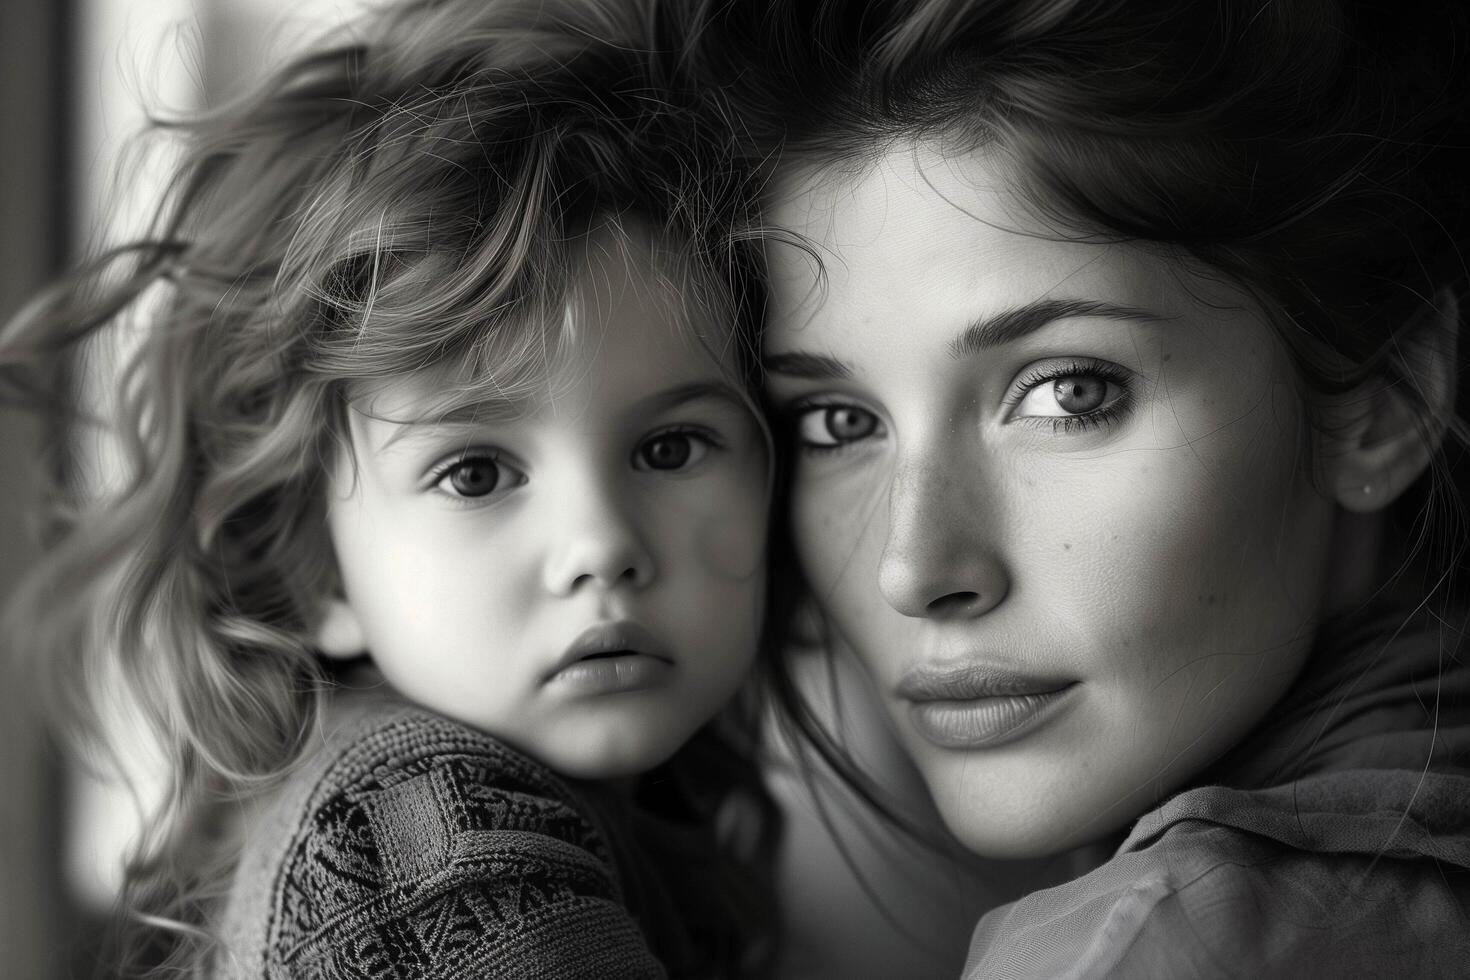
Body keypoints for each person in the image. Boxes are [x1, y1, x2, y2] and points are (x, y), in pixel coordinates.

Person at [688, 0, 1470, 975]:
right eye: (840, 423)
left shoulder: (1154, 946)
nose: (914, 565)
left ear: (1385, 400)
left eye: (1069, 391)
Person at [0, 0, 780, 976]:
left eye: (671, 448)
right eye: (476, 471)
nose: (602, 543)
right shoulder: (406, 830)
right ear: (314, 568)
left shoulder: (617, 802)